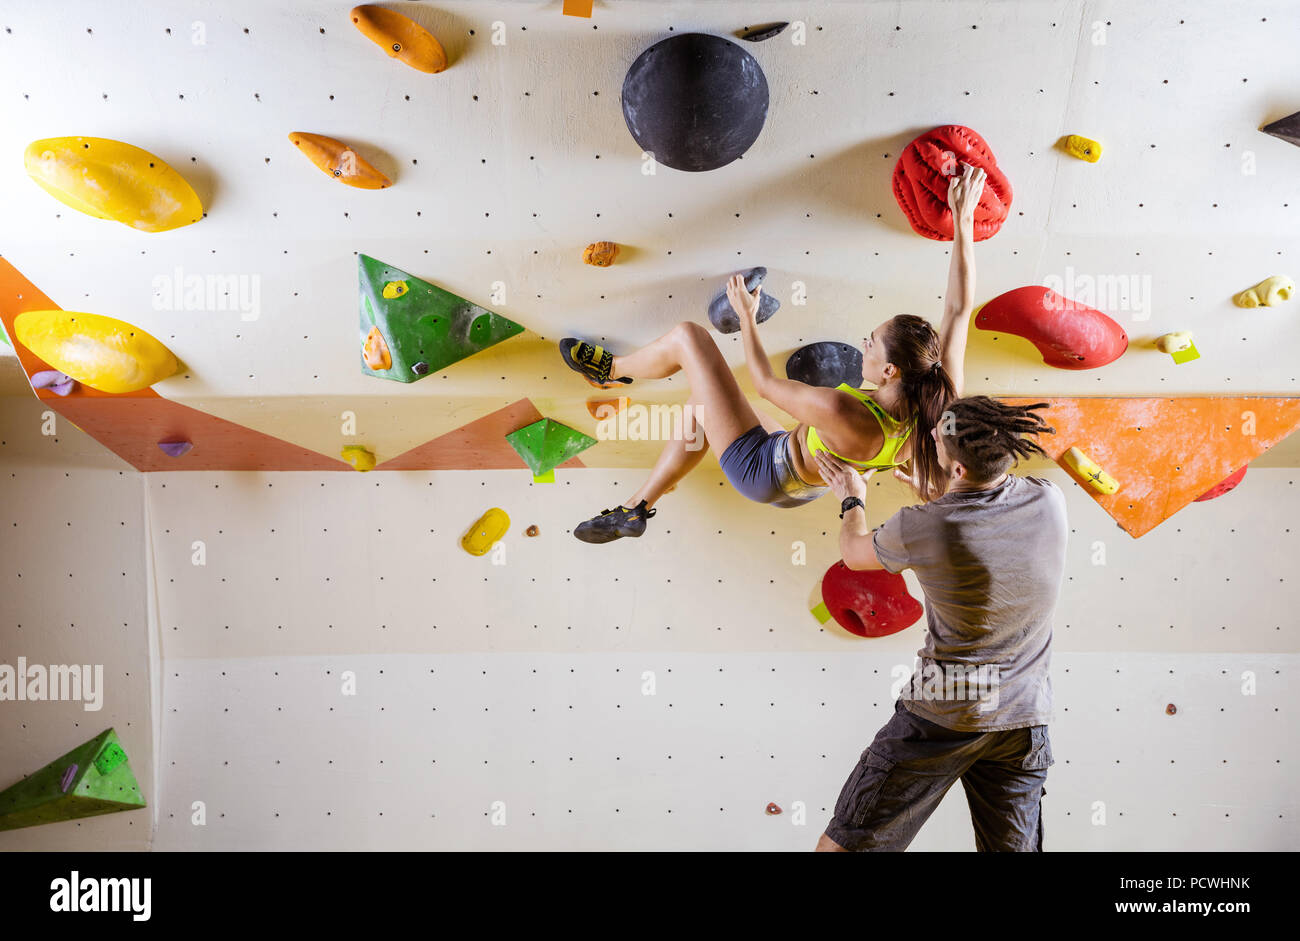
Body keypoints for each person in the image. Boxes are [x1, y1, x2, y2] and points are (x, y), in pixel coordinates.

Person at [556, 163, 988, 543]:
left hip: (763, 469)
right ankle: (637, 508)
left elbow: (763, 383)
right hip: (799, 478)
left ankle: (610, 370)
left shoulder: (843, 408)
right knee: (701, 405)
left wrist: (747, 315)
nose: (864, 345)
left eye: (871, 342)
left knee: (691, 338)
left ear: (892, 370)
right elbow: (957, 308)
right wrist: (963, 220)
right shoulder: (936, 398)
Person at [812, 396, 1067, 852]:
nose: (929, 437)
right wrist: (940, 496)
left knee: (846, 846)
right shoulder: (1048, 500)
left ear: (959, 471)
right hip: (1023, 720)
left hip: (941, 715)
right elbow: (979, 524)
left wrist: (852, 496)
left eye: (937, 440)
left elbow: (853, 552)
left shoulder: (919, 525)